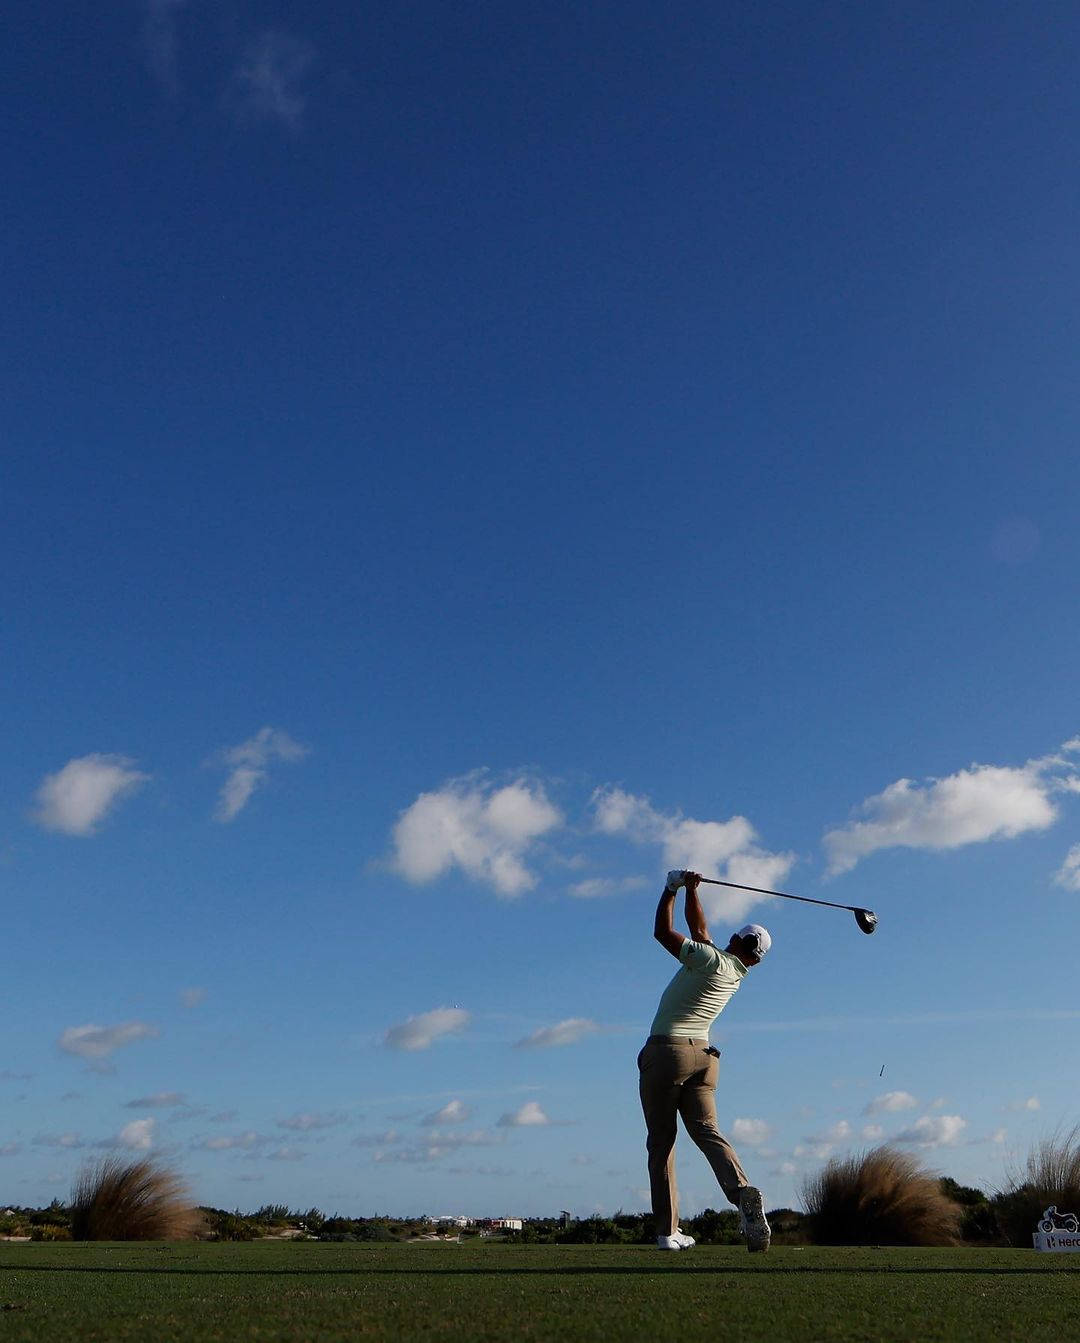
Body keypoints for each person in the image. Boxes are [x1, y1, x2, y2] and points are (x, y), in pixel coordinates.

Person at [638, 869, 772, 1253]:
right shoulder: (734, 971)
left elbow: (663, 933)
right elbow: (701, 932)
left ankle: (667, 1231)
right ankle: (741, 1191)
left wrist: (669, 889)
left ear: (734, 940)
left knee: (662, 1142)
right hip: (705, 1059)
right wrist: (692, 890)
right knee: (707, 1132)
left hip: (669, 1052)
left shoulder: (711, 960)